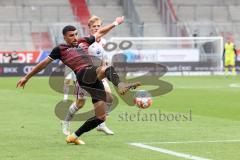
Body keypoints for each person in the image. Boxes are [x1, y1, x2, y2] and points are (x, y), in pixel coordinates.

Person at [17, 16, 141, 145]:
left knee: (100, 117)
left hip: (93, 79)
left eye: (76, 34)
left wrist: (115, 23)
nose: (75, 37)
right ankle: (121, 85)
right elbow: (43, 64)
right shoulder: (60, 49)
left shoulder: (84, 41)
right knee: (106, 69)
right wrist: (27, 77)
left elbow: (101, 32)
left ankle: (74, 136)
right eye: (71, 35)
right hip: (83, 74)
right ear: (64, 37)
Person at [61, 15, 114, 136]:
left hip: (98, 75)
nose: (96, 28)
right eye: (94, 26)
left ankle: (101, 123)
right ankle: (66, 121)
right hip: (84, 77)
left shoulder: (103, 41)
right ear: (89, 28)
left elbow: (103, 58)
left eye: (98, 26)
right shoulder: (85, 42)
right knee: (80, 104)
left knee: (109, 98)